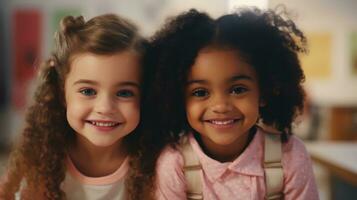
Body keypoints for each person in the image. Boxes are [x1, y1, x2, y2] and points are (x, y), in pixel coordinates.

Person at [142, 7, 319, 200]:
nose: (221, 106)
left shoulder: (290, 156)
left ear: (264, 92)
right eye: (200, 92)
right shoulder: (174, 163)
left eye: (238, 89)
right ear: (178, 99)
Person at [0, 13, 148, 199]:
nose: (105, 107)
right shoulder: (39, 159)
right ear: (62, 94)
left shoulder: (156, 165)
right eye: (88, 91)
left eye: (124, 93)